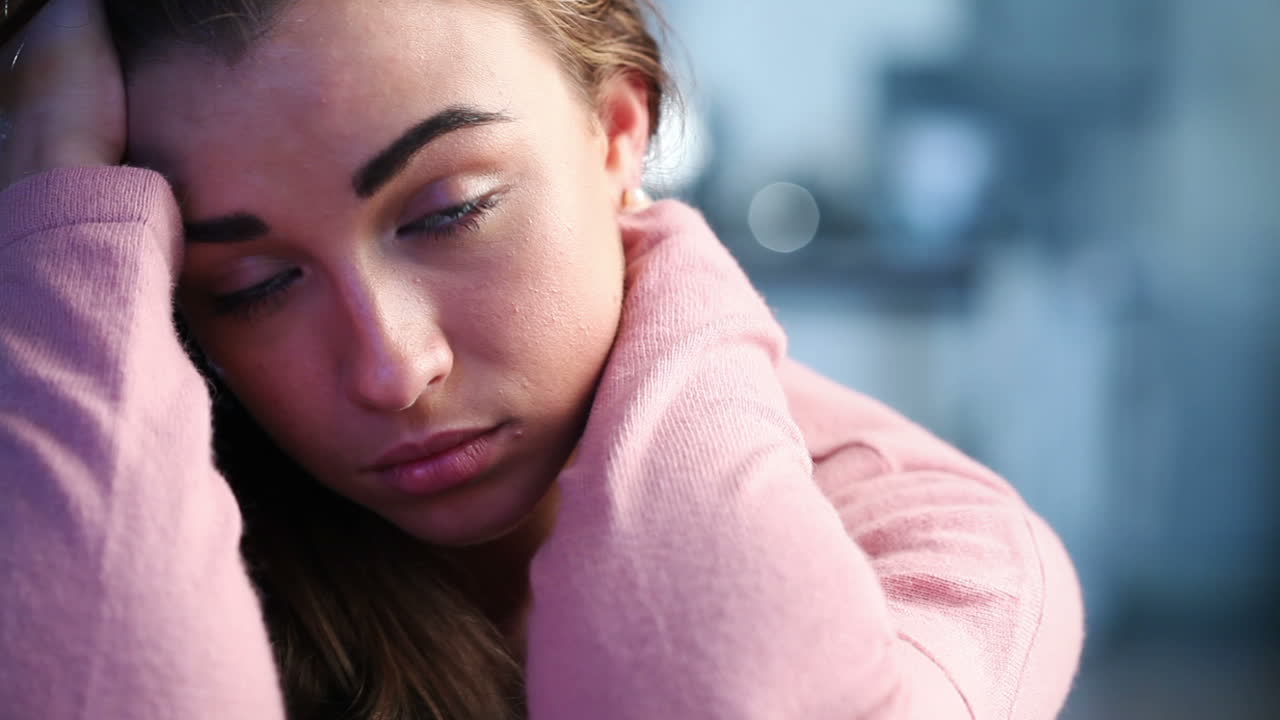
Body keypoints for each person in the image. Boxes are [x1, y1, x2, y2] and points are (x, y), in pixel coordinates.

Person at [0, 0, 1084, 717]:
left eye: (452, 211)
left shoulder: (940, 546)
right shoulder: (84, 532)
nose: (391, 366)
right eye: (252, 288)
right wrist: (52, 198)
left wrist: (676, 280)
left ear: (618, 135)